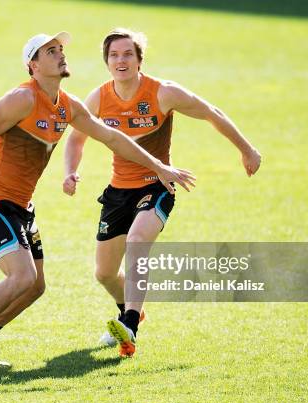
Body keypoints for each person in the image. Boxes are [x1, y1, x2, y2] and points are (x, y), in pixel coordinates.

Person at [0, 31, 196, 375]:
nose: (60, 54)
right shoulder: (20, 100)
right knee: (22, 277)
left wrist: (158, 166)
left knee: (35, 286)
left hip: (22, 207)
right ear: (33, 65)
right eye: (50, 51)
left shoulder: (68, 105)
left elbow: (113, 137)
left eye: (60, 49)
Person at [63, 28, 262, 358]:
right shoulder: (98, 98)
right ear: (106, 62)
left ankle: (129, 323)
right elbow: (76, 138)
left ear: (140, 59)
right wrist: (71, 171)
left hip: (158, 185)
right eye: (114, 55)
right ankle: (131, 309)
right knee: (104, 273)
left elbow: (212, 112)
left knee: (138, 240)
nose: (121, 60)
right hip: (117, 192)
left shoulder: (163, 93)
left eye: (128, 54)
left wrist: (247, 149)